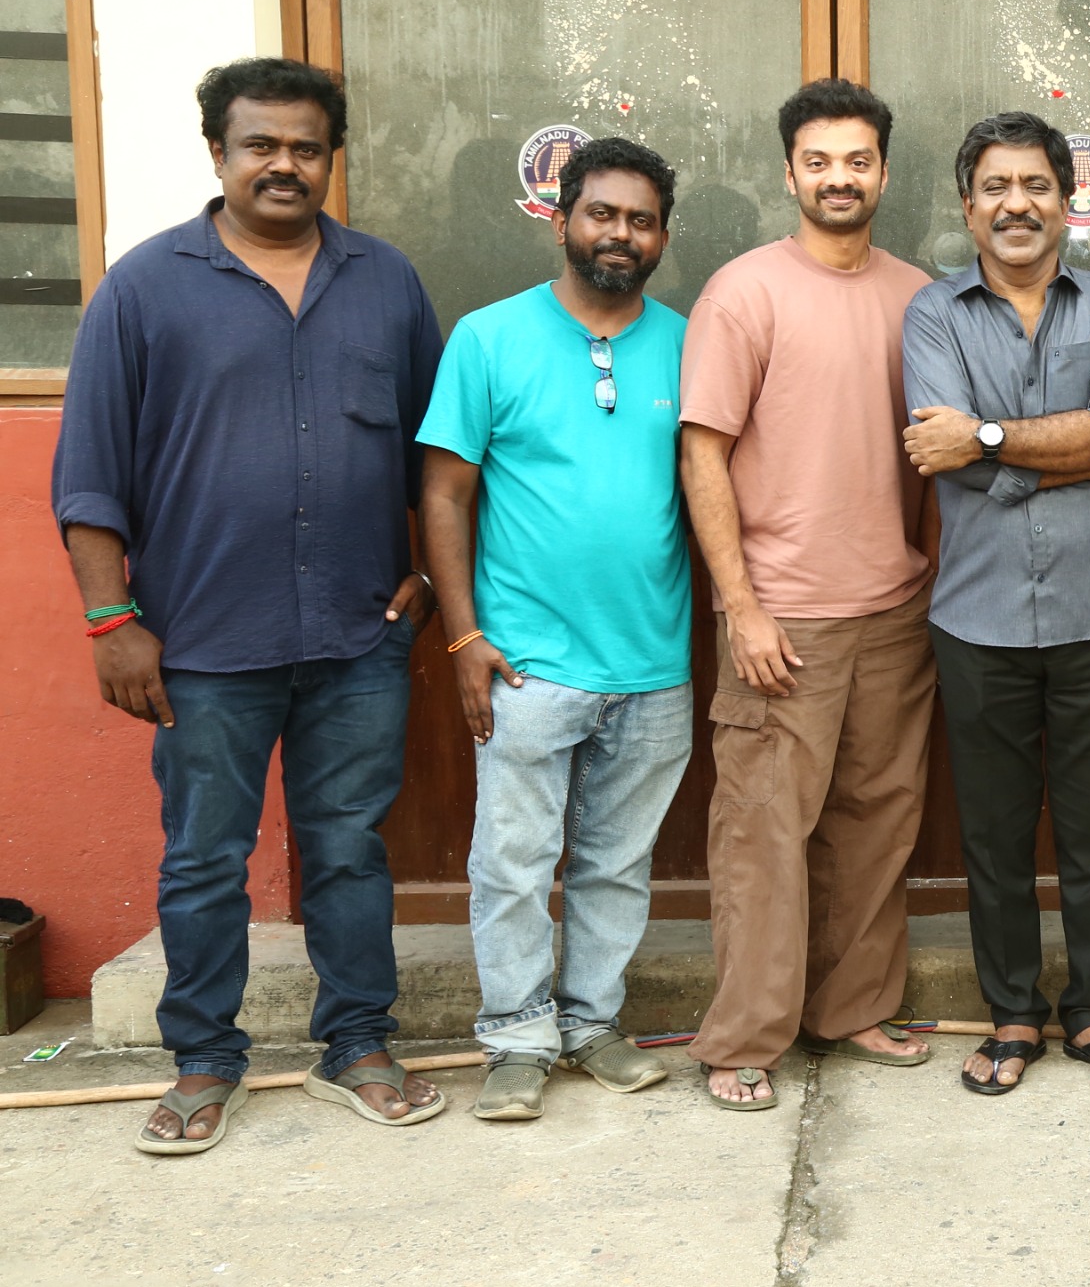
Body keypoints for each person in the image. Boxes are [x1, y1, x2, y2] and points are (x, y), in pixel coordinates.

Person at [53, 57, 447, 1152]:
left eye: (305, 147)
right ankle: (204, 1059)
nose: (284, 164)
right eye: (260, 145)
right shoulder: (144, 288)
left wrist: (427, 571)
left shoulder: (386, 282)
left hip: (359, 633)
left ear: (331, 159)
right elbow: (89, 476)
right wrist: (110, 621)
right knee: (203, 857)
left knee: (349, 850)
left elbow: (439, 455)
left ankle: (357, 1043)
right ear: (218, 153)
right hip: (203, 641)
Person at [418, 137, 691, 1122]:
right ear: (560, 218)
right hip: (527, 663)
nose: (620, 233)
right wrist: (463, 638)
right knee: (513, 865)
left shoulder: (688, 343)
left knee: (617, 865)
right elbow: (444, 495)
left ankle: (592, 1024)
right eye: (601, 213)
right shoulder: (488, 339)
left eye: (641, 220)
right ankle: (516, 1040)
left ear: (662, 237)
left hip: (653, 660)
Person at [679, 80, 939, 1113]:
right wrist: (741, 607)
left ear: (883, 171)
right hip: (783, 614)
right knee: (762, 833)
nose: (840, 178)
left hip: (894, 608)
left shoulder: (918, 295)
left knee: (877, 822)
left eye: (857, 160)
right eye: (819, 161)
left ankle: (852, 1008)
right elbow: (703, 455)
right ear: (789, 173)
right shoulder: (743, 292)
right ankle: (744, 1038)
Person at [901, 111, 1090, 1096]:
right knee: (994, 832)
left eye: (1036, 185)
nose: (1017, 204)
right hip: (978, 614)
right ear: (968, 206)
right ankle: (1012, 1011)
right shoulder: (932, 314)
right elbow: (941, 453)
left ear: (1068, 201)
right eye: (996, 187)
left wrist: (988, 436)